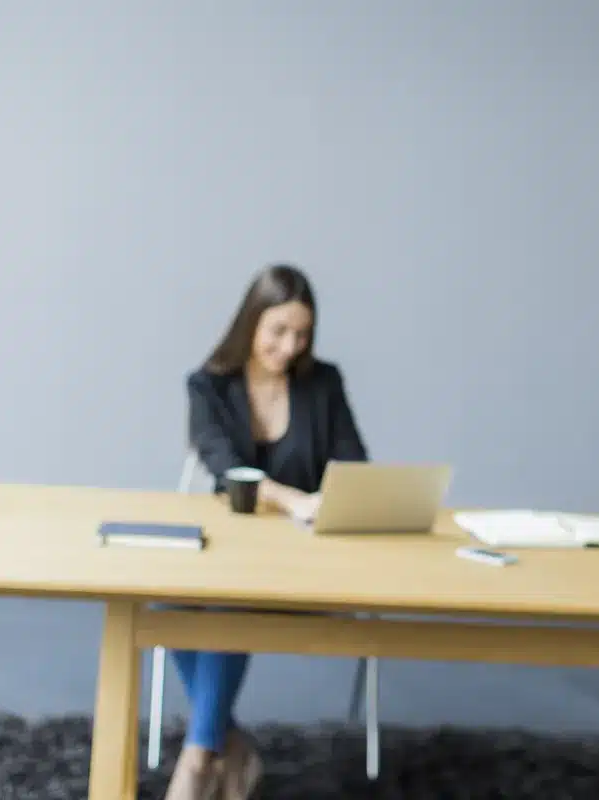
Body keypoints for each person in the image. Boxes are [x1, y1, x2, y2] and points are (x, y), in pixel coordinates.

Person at [166, 263, 369, 800]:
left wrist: (326, 501)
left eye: (302, 334)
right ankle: (227, 742)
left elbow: (354, 466)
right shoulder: (207, 386)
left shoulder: (322, 383)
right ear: (250, 322)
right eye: (278, 331)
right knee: (167, 604)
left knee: (225, 604)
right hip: (231, 556)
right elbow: (224, 467)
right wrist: (291, 499)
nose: (290, 346)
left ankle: (197, 760)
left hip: (306, 562)